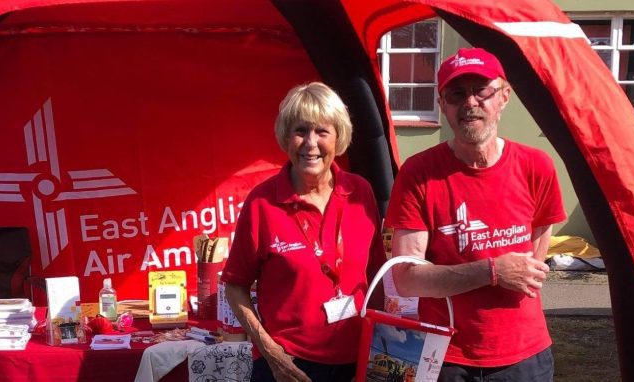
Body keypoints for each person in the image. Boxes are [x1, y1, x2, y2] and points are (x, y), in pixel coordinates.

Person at [385, 48, 567, 382]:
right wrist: (492, 271)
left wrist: (510, 274)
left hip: (523, 357)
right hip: (445, 358)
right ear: (443, 104)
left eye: (482, 90)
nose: (470, 102)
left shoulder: (535, 167)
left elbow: (532, 266)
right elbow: (407, 279)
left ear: (504, 96)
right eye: (457, 93)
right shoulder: (419, 173)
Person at [221, 82, 384, 382]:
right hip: (290, 368)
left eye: (322, 131)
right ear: (286, 136)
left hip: (357, 365)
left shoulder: (360, 192)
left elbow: (376, 277)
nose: (311, 143)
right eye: (300, 130)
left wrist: (382, 350)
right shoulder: (262, 203)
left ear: (339, 137)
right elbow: (234, 286)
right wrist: (271, 354)